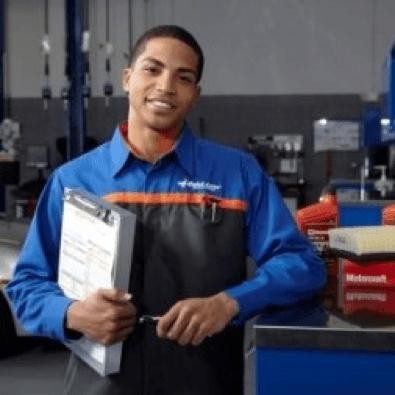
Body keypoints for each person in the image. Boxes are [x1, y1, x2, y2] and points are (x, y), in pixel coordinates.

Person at [6, 25, 326, 394]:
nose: (166, 86)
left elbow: (302, 265)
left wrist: (230, 304)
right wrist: (71, 314)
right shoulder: (73, 181)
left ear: (195, 94)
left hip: (204, 383)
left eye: (183, 77)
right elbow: (27, 285)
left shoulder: (237, 174)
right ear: (127, 78)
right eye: (152, 69)